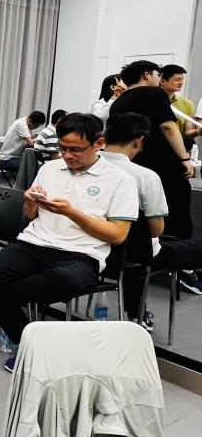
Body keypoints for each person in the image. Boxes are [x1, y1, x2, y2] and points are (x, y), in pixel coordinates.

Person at [0, 113, 138, 372]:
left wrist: (72, 212)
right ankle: (30, 348)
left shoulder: (120, 180)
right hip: (33, 243)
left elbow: (118, 235)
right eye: (62, 148)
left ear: (99, 143)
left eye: (76, 149)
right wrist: (29, 202)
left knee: (61, 282)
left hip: (81, 253)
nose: (67, 155)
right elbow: (29, 216)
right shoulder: (49, 168)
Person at [99, 113, 169, 329]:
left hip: (91, 248)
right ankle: (137, 313)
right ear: (139, 140)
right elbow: (155, 230)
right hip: (130, 254)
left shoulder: (87, 166)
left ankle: (136, 312)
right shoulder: (146, 177)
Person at [111, 60, 193, 240]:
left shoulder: (119, 101)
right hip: (162, 162)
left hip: (134, 160)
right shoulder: (154, 93)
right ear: (146, 75)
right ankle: (176, 248)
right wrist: (184, 158)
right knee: (175, 207)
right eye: (158, 75)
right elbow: (168, 126)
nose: (159, 79)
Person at [159, 64, 198, 150]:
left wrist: (197, 131)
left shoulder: (187, 104)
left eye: (182, 79)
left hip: (176, 149)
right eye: (177, 80)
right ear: (162, 81)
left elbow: (187, 132)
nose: (181, 83)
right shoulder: (150, 100)